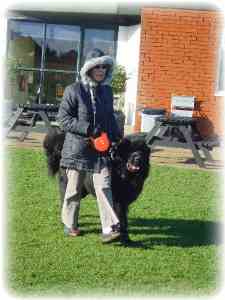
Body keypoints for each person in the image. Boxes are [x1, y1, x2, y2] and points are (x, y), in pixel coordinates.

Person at [57, 48, 122, 243]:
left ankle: (109, 228)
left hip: (100, 149)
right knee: (74, 189)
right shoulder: (73, 90)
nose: (101, 70)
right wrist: (87, 129)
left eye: (104, 66)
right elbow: (63, 119)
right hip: (76, 149)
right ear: (89, 68)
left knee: (104, 185)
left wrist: (116, 137)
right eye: (97, 66)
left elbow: (110, 118)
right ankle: (70, 224)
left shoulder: (107, 92)